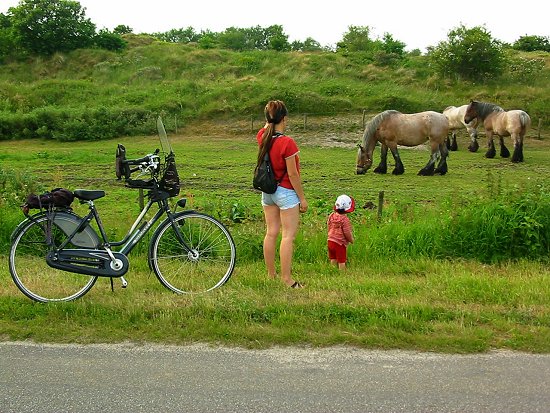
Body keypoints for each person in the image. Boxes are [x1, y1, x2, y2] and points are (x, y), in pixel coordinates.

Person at [256, 100, 308, 288]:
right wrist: (302, 198)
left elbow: (265, 127)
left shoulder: (262, 136)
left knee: (271, 233)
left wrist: (269, 117)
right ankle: (287, 280)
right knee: (288, 236)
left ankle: (271, 275)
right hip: (285, 192)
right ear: (284, 119)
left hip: (267, 192)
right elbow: (293, 174)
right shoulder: (288, 143)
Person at [327, 194, 355, 270]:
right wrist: (351, 240)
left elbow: (328, 225)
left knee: (333, 258)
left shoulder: (331, 215)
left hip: (330, 240)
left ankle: (332, 271)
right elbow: (347, 232)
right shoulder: (345, 220)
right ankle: (342, 273)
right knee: (341, 260)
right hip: (339, 243)